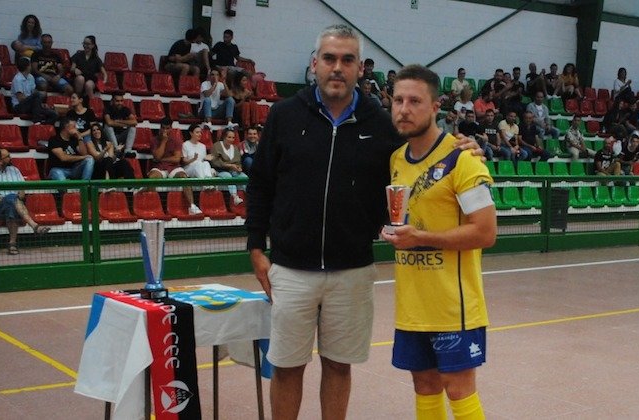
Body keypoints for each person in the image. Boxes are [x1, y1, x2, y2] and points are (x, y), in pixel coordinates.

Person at [246, 26, 480, 419]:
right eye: (330, 59)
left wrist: (462, 146)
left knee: (339, 365)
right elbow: (261, 183)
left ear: (360, 69)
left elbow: (426, 148)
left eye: (347, 60)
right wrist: (256, 247)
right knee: (286, 367)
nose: (337, 68)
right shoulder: (285, 115)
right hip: (290, 267)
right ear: (314, 64)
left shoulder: (383, 122)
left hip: (352, 269)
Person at [381, 64, 496, 420]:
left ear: (435, 107)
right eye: (398, 100)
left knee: (458, 390)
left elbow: (485, 231)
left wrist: (421, 238)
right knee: (425, 388)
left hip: (454, 307)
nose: (404, 108)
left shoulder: (463, 159)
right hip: (413, 305)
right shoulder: (396, 160)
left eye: (415, 100)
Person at [0, 148, 51, 255]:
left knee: (10, 203)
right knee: (11, 198)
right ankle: (34, 226)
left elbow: (22, 189)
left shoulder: (15, 170)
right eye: (7, 156)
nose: (10, 158)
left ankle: (12, 244)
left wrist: (21, 193)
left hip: (13, 205)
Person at [148, 118, 201, 215]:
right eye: (163, 128)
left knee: (184, 177)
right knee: (152, 178)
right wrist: (164, 141)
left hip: (174, 167)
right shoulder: (154, 140)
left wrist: (161, 159)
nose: (165, 131)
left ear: (171, 128)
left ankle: (192, 206)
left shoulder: (177, 140)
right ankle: (152, 207)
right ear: (160, 128)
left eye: (167, 128)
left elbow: (176, 159)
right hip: (159, 167)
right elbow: (157, 156)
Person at [207, 127, 247, 205]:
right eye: (229, 137)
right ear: (224, 137)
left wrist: (238, 168)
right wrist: (229, 165)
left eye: (233, 137)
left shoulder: (235, 148)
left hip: (234, 170)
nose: (231, 139)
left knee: (245, 178)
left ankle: (250, 197)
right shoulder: (217, 146)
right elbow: (214, 162)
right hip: (220, 170)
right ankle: (235, 197)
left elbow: (238, 162)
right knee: (228, 176)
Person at [11, 57, 57, 123]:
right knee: (37, 94)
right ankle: (37, 120)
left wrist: (39, 103)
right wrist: (35, 101)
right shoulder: (17, 79)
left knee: (53, 114)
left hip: (31, 105)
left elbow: (33, 92)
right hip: (19, 106)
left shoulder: (31, 77)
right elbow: (20, 99)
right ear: (27, 67)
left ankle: (41, 127)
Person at [103, 91, 138, 157]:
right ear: (112, 101)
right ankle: (117, 150)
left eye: (121, 101)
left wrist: (118, 121)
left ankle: (127, 151)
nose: (120, 103)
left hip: (120, 136)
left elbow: (134, 122)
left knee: (133, 127)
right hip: (108, 137)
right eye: (117, 101)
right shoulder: (107, 109)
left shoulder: (125, 109)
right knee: (108, 127)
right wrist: (125, 124)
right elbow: (109, 122)